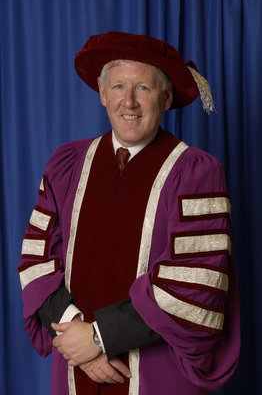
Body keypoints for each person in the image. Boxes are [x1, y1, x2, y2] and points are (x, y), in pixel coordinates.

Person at [18, 31, 240, 395]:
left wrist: (98, 336)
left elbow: (195, 284)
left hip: (156, 371)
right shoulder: (68, 165)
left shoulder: (195, 172)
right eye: (119, 86)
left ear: (166, 98)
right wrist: (78, 338)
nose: (130, 102)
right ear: (103, 94)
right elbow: (37, 258)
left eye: (144, 89)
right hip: (75, 363)